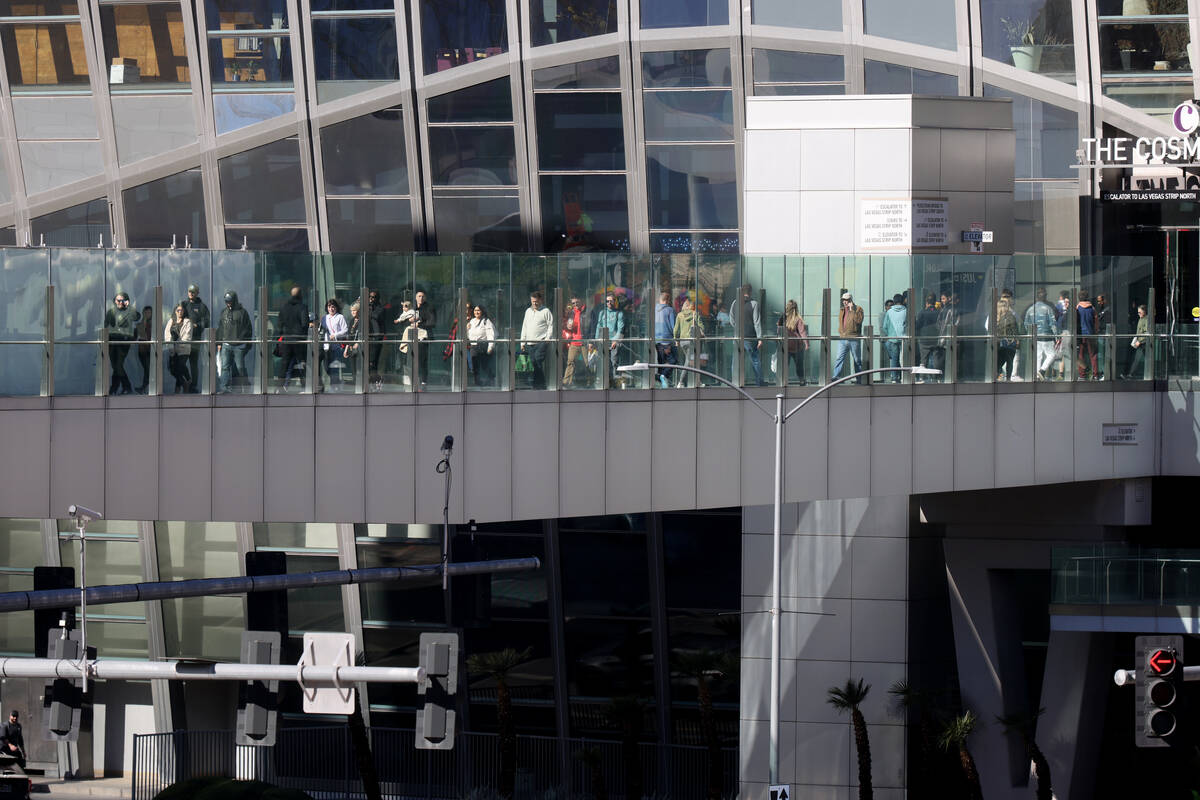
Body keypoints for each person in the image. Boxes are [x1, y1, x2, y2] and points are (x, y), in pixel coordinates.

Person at [276, 286, 311, 392]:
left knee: (284, 363)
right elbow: (305, 324)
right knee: (302, 362)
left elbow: (279, 325)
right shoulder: (302, 307)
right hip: (299, 339)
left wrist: (282, 334)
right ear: (300, 295)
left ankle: (279, 387)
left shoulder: (284, 307)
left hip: (287, 339)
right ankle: (305, 386)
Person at [216, 291, 252, 393]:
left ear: (234, 300)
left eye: (230, 301)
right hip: (226, 344)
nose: (228, 303)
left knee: (240, 368)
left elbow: (248, 328)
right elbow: (220, 328)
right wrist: (219, 343)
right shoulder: (224, 312)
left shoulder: (242, 312)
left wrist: (245, 342)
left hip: (239, 345)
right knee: (225, 367)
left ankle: (243, 387)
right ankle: (224, 388)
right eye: (226, 301)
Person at [104, 292, 140, 395]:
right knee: (115, 365)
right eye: (118, 300)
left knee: (118, 364)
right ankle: (115, 387)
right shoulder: (111, 312)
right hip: (111, 340)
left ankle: (126, 386)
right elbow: (106, 325)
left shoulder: (129, 311)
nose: (120, 302)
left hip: (124, 340)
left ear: (126, 301)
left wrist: (129, 307)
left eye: (122, 300)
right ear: (114, 301)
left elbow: (137, 317)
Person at [730, 284, 763, 385]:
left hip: (738, 336)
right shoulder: (754, 304)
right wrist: (760, 338)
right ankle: (759, 382)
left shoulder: (735, 302)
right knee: (755, 360)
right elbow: (756, 322)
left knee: (736, 360)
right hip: (750, 337)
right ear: (750, 292)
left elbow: (732, 320)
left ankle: (736, 382)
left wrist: (737, 328)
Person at [520, 291, 554, 390]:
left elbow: (550, 325)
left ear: (540, 300)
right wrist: (523, 342)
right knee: (534, 363)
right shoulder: (528, 311)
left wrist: (548, 338)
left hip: (541, 341)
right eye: (532, 301)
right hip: (530, 342)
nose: (534, 303)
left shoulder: (546, 311)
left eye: (536, 301)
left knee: (537, 360)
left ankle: (537, 384)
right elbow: (524, 327)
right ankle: (541, 384)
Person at [181, 284, 210, 393]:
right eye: (189, 291)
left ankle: (193, 386)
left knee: (193, 363)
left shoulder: (201, 306)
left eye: (193, 292)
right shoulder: (184, 304)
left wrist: (198, 325)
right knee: (181, 363)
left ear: (197, 293)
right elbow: (177, 316)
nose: (191, 293)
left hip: (195, 339)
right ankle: (184, 382)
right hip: (184, 339)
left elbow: (207, 320)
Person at [593, 293, 625, 384]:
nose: (609, 303)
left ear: (615, 301)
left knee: (614, 362)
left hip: (614, 341)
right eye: (607, 301)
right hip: (603, 341)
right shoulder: (602, 313)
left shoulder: (619, 313)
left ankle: (614, 381)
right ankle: (604, 381)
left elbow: (620, 329)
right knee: (603, 362)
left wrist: (615, 340)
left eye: (611, 300)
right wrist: (596, 339)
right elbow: (598, 326)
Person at [1025, 288, 1057, 380]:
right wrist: (1056, 336)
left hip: (1035, 337)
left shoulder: (1030, 309)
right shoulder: (1048, 308)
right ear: (1045, 297)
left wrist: (1030, 335)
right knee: (1052, 354)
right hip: (1047, 336)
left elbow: (1026, 324)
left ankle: (1036, 376)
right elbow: (1053, 324)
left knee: (1038, 356)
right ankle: (1042, 371)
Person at [834, 292, 864, 382]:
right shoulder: (842, 310)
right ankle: (836, 377)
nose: (844, 302)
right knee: (839, 358)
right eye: (843, 300)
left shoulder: (858, 309)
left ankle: (859, 378)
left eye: (846, 300)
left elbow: (858, 321)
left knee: (857, 360)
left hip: (854, 338)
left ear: (851, 300)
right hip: (843, 338)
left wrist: (852, 310)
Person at [673, 298, 704, 387]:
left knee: (691, 361)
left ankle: (697, 381)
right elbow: (701, 327)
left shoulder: (679, 315)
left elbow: (675, 330)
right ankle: (681, 382)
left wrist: (676, 340)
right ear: (691, 306)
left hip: (683, 342)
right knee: (689, 361)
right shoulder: (695, 314)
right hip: (692, 341)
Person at [165, 303, 194, 393]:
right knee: (172, 369)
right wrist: (170, 345)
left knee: (180, 366)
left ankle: (181, 386)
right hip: (172, 349)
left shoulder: (187, 322)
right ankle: (185, 382)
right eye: (178, 310)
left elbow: (187, 336)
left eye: (181, 310)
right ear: (175, 311)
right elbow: (167, 333)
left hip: (183, 349)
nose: (180, 312)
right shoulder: (171, 321)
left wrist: (178, 344)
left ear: (184, 312)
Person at [320, 298, 348, 390]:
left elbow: (345, 330)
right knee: (327, 367)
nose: (331, 309)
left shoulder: (340, 317)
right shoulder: (324, 318)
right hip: (326, 346)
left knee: (334, 367)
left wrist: (335, 335)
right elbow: (321, 330)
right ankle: (338, 382)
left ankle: (334, 386)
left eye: (333, 307)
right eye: (329, 307)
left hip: (337, 345)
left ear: (336, 308)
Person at [779, 299, 808, 385]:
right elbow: (802, 332)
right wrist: (806, 343)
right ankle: (801, 380)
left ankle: (783, 381)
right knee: (799, 365)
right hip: (797, 346)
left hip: (787, 346)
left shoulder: (785, 318)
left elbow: (778, 327)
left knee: (785, 365)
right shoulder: (797, 319)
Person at [467, 304, 497, 387]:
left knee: (485, 366)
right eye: (475, 310)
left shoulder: (486, 321)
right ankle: (477, 383)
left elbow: (491, 334)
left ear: (482, 311)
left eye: (478, 310)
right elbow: (468, 336)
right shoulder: (472, 321)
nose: (476, 312)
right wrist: (467, 328)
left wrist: (490, 346)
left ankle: (491, 380)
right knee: (474, 366)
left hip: (483, 346)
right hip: (473, 346)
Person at [412, 290, 437, 386]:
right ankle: (414, 378)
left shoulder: (429, 308)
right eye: (419, 296)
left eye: (422, 296)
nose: (420, 298)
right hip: (412, 336)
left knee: (422, 359)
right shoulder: (412, 308)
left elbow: (432, 322)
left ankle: (423, 380)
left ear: (425, 297)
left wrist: (419, 323)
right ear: (415, 297)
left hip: (423, 337)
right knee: (412, 358)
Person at [882, 293, 907, 382]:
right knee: (904, 358)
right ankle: (904, 376)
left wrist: (890, 334)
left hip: (892, 338)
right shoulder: (906, 311)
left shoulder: (889, 312)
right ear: (902, 301)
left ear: (894, 301)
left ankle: (894, 377)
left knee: (894, 358)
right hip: (904, 338)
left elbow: (884, 326)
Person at [654, 291, 676, 388]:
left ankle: (661, 382)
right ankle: (664, 376)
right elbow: (673, 327)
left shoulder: (654, 310)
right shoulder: (669, 310)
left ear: (660, 299)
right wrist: (675, 338)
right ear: (667, 300)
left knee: (661, 362)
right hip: (667, 340)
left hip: (657, 340)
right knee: (673, 361)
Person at [561, 297, 585, 387]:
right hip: (573, 341)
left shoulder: (585, 311)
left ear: (581, 301)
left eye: (576, 302)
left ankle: (587, 382)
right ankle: (566, 382)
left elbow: (590, 325)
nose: (575, 305)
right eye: (573, 304)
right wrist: (568, 325)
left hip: (584, 341)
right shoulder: (572, 313)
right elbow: (569, 325)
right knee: (570, 362)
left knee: (586, 363)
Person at [995, 297, 1020, 381]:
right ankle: (1008, 379)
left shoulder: (995, 317)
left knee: (999, 361)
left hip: (998, 343)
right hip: (1009, 342)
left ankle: (998, 375)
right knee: (1009, 361)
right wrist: (1017, 340)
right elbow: (1014, 329)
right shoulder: (1010, 316)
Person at [1076, 290, 1098, 380]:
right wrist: (1095, 332)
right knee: (1093, 355)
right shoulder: (1092, 308)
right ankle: (1095, 374)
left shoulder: (1077, 308)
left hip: (1081, 335)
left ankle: (1082, 375)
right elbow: (1096, 322)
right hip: (1090, 334)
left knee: (1080, 355)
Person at [1125, 304, 1149, 379]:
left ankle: (1130, 374)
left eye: (1140, 312)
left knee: (1137, 359)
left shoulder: (1146, 319)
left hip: (1143, 343)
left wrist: (1140, 341)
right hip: (1140, 342)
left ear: (1144, 311)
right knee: (1140, 359)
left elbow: (1147, 332)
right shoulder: (1141, 319)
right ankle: (1130, 373)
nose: (1138, 314)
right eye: (1138, 312)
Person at [135, 305, 153, 393]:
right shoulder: (140, 324)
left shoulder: (154, 324)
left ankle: (145, 387)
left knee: (148, 369)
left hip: (151, 349)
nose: (147, 314)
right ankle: (145, 387)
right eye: (146, 313)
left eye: (149, 313)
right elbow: (141, 334)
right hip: (142, 350)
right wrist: (144, 322)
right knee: (146, 368)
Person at [1095, 293, 1110, 379]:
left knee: (1103, 354)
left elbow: (1106, 323)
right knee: (1100, 354)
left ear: (1104, 301)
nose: (1098, 303)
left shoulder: (1107, 310)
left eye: (1100, 301)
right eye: (1098, 301)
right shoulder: (1100, 310)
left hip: (1104, 334)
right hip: (1100, 333)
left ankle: (1104, 372)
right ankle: (1101, 371)